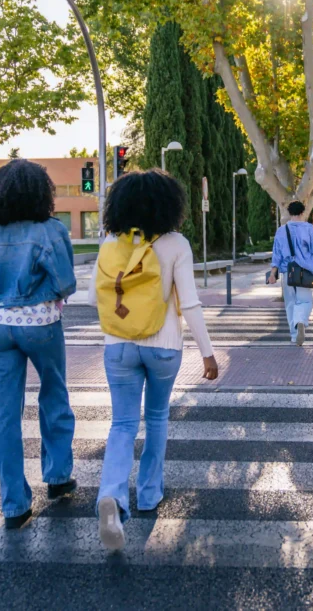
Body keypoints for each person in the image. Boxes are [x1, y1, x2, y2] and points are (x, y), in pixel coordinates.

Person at [89, 169, 219, 551]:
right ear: (168, 205)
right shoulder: (176, 243)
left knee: (122, 424)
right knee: (158, 417)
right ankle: (148, 494)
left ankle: (111, 493)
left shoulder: (111, 242)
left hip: (119, 345)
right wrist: (207, 353)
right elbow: (189, 303)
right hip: (163, 347)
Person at [0, 159, 78, 530]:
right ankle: (57, 478)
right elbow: (64, 282)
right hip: (41, 324)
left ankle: (15, 505)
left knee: (4, 414)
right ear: (42, 193)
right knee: (54, 395)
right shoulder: (50, 230)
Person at [267, 200, 313, 346]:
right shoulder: (308, 228)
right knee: (305, 301)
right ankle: (301, 321)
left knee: (290, 303)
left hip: (288, 272)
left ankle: (294, 335)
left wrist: (273, 273)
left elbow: (276, 255)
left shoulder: (281, 231)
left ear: (289, 213)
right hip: (305, 272)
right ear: (302, 212)